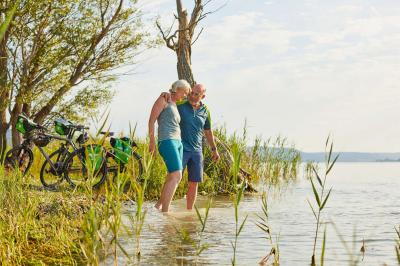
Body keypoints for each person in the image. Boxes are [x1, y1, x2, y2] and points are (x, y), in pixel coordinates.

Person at [162, 83, 220, 210]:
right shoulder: (181, 104)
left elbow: (208, 132)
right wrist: (165, 94)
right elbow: (170, 100)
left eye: (196, 94)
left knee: (194, 183)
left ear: (203, 96)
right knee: (173, 177)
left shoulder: (206, 110)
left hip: (197, 151)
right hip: (181, 147)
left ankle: (189, 212)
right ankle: (160, 206)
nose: (192, 96)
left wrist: (214, 150)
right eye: (191, 93)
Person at [148, 80, 191, 212]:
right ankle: (166, 211)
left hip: (178, 142)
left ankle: (158, 206)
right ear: (177, 89)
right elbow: (151, 121)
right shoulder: (163, 99)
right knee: (176, 175)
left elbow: (193, 102)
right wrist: (152, 142)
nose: (185, 96)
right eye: (185, 93)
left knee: (173, 176)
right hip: (167, 140)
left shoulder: (175, 103)